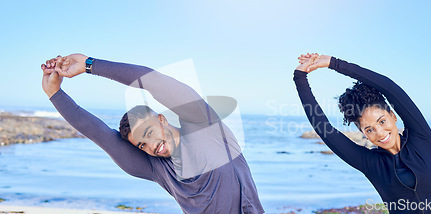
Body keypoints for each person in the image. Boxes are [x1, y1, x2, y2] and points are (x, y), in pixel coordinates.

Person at [41, 54, 264, 214]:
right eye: (141, 145)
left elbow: (152, 81)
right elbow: (96, 131)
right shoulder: (157, 169)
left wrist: (89, 64)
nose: (150, 146)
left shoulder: (204, 125)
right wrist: (54, 93)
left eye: (149, 133)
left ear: (162, 118)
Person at [293, 53, 431, 213]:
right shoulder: (371, 163)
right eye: (369, 129)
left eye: (382, 121)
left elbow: (390, 89)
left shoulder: (422, 139)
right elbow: (323, 128)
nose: (380, 132)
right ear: (363, 133)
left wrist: (335, 63)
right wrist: (300, 77)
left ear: (393, 116)